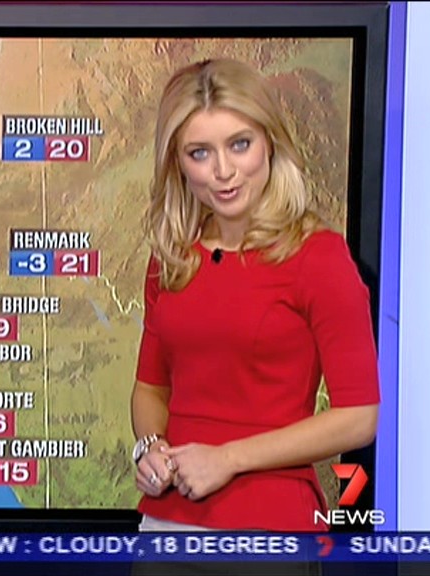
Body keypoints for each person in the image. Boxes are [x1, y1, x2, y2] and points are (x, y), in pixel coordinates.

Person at [130, 58, 381, 538]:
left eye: (239, 145)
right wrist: (151, 447)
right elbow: (150, 389)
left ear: (270, 143)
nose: (223, 171)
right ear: (178, 162)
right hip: (168, 523)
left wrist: (228, 459)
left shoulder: (318, 257)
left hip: (272, 527)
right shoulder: (172, 258)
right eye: (199, 153)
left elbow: (358, 417)